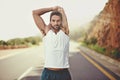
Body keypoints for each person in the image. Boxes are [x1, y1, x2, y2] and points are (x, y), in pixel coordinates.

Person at [32, 6, 71, 80]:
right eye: (53, 20)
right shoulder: (46, 31)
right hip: (48, 74)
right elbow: (35, 13)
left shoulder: (65, 31)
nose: (56, 23)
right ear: (50, 21)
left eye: (58, 21)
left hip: (63, 74)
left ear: (61, 21)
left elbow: (64, 22)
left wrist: (62, 11)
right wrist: (52, 9)